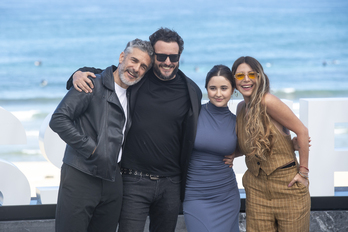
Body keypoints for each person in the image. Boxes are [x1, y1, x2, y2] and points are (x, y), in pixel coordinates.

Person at [67, 28, 202, 232]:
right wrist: (76, 74)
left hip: (171, 184)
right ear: (152, 56)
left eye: (173, 56)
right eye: (161, 56)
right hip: (133, 181)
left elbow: (195, 134)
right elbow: (102, 75)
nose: (167, 61)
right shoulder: (136, 78)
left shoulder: (191, 91)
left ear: (179, 56)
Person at [49, 38, 154, 232]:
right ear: (122, 57)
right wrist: (92, 149)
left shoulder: (134, 94)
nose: (136, 68)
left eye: (143, 66)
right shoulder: (91, 83)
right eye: (133, 60)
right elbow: (58, 119)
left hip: (113, 179)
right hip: (81, 174)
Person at [232, 56, 311, 232]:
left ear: (259, 77)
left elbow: (303, 132)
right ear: (234, 80)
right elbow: (246, 147)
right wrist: (230, 155)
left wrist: (303, 173)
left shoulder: (268, 101)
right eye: (240, 76)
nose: (246, 80)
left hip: (287, 186)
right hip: (256, 188)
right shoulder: (240, 109)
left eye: (251, 74)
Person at [183, 65, 240, 232]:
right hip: (195, 194)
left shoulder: (237, 121)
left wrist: (236, 154)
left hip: (226, 195)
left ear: (232, 89)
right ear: (206, 88)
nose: (218, 93)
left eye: (224, 88)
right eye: (213, 88)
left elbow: (253, 145)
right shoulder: (194, 114)